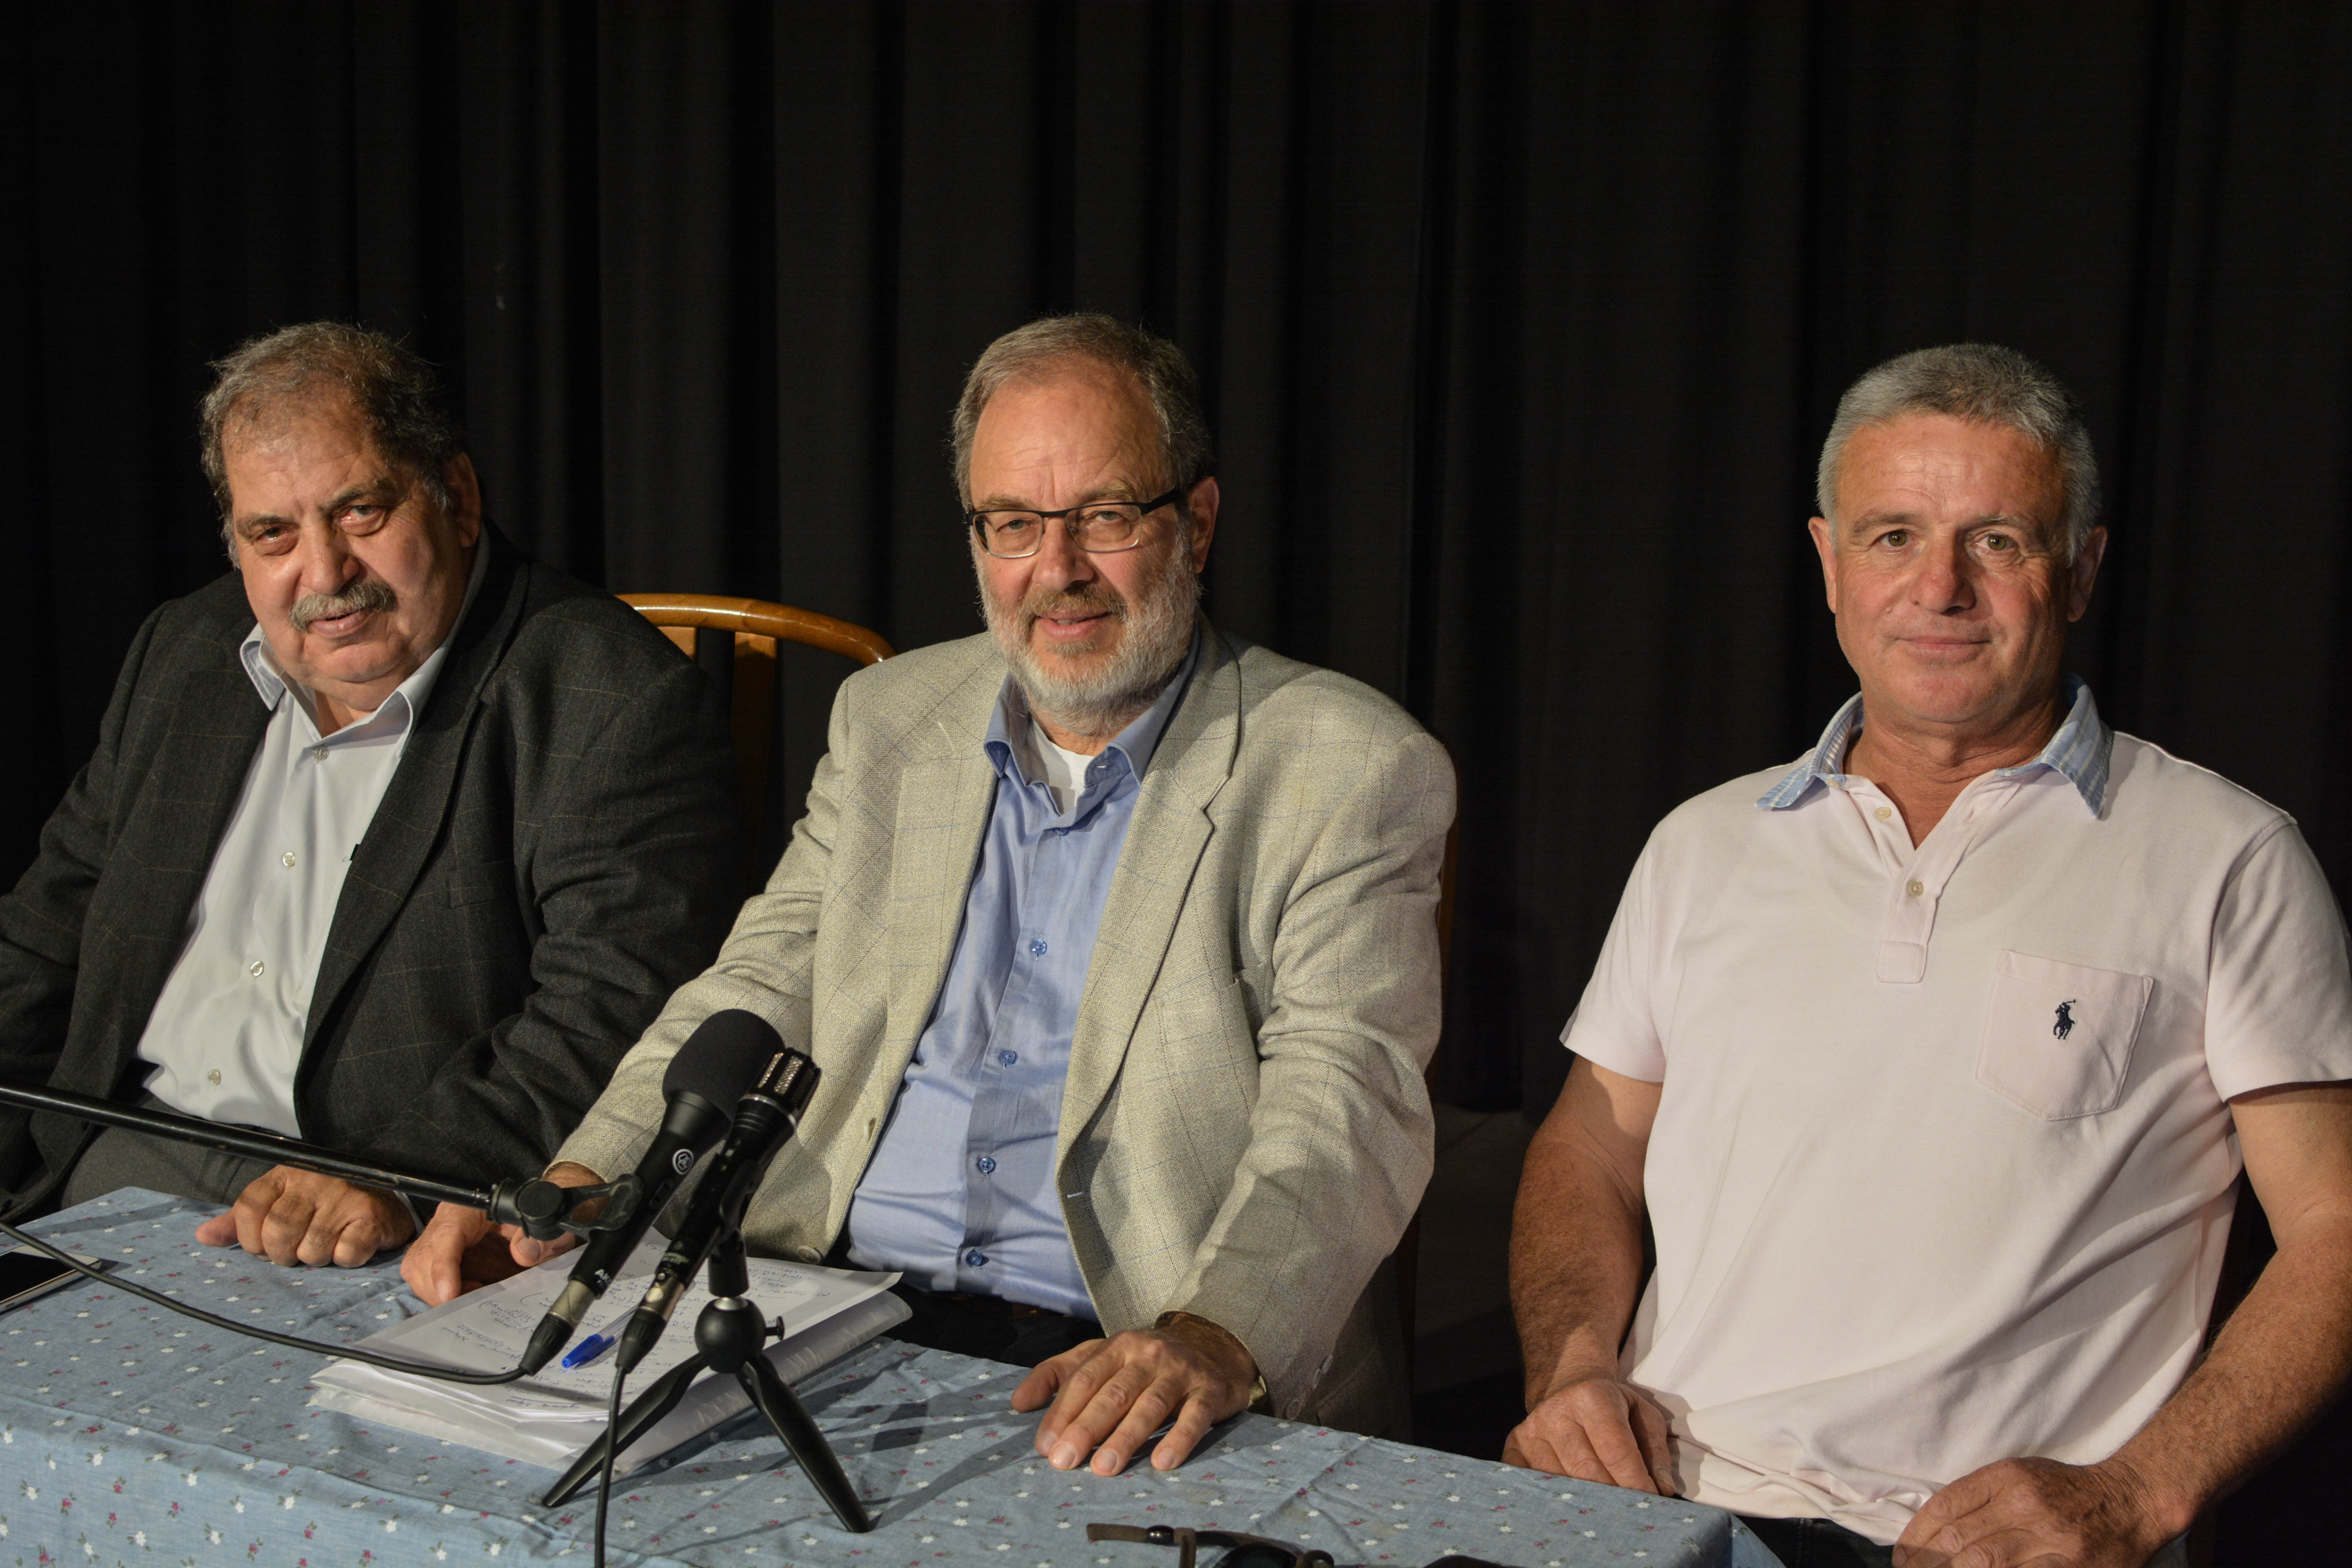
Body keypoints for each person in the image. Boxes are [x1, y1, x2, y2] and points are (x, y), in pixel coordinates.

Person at [405, 313, 1455, 1476]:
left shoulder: (1346, 765)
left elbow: (1347, 1102)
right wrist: (588, 1185)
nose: (1056, 569)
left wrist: (1216, 1331)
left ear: (1196, 523)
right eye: (1013, 523)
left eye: (1106, 516)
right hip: (826, 1307)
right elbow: (761, 983)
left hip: (1124, 1351)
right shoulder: (891, 718)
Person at [1506, 343, 2352, 1568]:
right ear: (1829, 564)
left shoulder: (2227, 858)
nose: (1939, 586)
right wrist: (1574, 1368)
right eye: (1893, 535)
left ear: (2081, 570)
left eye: (1997, 541)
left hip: (1990, 1547)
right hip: (1664, 1510)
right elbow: (1590, 1148)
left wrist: (2140, 1492)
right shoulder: (1703, 845)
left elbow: (2336, 1225)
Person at [0, 323, 742, 1273]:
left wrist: (397, 1172)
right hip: (114, 1158)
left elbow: (613, 1010)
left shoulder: (611, 697)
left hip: (382, 1211)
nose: (324, 574)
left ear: (458, 497)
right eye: (273, 533)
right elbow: (48, 931)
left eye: (360, 512)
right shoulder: (182, 651)